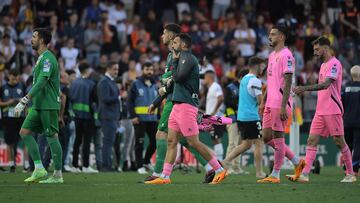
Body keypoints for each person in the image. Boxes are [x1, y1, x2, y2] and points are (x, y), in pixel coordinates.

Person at [146, 33, 227, 185]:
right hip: (177, 105)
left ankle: (219, 169)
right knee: (171, 141)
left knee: (193, 142)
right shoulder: (180, 58)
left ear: (183, 45)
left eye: (175, 42)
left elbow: (179, 77)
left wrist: (174, 66)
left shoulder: (188, 58)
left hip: (186, 105)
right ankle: (165, 177)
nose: (173, 44)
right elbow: (175, 79)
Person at [289, 36, 357, 183]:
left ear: (326, 48)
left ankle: (350, 174)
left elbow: (326, 85)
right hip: (320, 110)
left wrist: (304, 88)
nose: (315, 52)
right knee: (311, 140)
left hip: (333, 109)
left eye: (317, 49)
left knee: (339, 141)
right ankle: (305, 174)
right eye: (314, 49)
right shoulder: (322, 65)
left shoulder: (335, 64)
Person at [14, 27, 64, 183]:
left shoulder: (48, 58)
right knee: (24, 132)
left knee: (52, 136)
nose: (31, 39)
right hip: (38, 105)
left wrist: (25, 99)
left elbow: (42, 80)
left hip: (48, 104)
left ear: (42, 40)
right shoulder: (41, 58)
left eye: (34, 36)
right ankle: (39, 169)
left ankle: (57, 175)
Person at [257, 25, 304, 184]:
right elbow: (270, 81)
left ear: (282, 37)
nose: (270, 37)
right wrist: (263, 101)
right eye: (269, 34)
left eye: (273, 34)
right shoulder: (272, 55)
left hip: (280, 102)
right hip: (270, 102)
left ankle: (275, 174)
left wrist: (284, 105)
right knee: (266, 137)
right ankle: (297, 161)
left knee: (278, 136)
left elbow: (288, 80)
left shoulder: (287, 55)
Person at [222, 56, 267, 178]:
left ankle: (226, 161)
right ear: (257, 66)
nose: (263, 68)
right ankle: (259, 172)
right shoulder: (255, 80)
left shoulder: (244, 79)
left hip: (241, 116)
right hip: (251, 117)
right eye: (262, 66)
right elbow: (258, 99)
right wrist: (264, 97)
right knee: (259, 143)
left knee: (246, 145)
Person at [128, 61, 158, 174]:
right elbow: (129, 101)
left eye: (151, 70)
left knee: (155, 142)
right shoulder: (136, 84)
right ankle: (139, 165)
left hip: (152, 119)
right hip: (139, 119)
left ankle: (146, 161)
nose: (149, 72)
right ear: (142, 70)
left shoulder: (155, 84)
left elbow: (158, 103)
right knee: (139, 143)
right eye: (147, 69)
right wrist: (133, 116)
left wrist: (158, 116)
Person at [69, 62, 98, 173]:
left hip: (76, 116)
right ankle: (85, 166)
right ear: (87, 70)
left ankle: (75, 166)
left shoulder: (74, 82)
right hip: (88, 116)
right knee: (86, 141)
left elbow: (71, 99)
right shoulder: (91, 83)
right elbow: (95, 102)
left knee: (77, 140)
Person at [0, 69, 26, 172]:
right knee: (9, 142)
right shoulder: (3, 88)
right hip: (8, 118)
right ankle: (12, 165)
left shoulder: (22, 86)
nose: (14, 79)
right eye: (12, 76)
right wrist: (9, 103)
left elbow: (27, 100)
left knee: (24, 140)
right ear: (9, 76)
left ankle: (26, 165)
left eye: (16, 77)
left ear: (19, 77)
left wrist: (21, 102)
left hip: (20, 117)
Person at [97, 62, 121, 171]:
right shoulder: (104, 82)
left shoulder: (110, 81)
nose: (116, 71)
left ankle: (108, 165)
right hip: (107, 116)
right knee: (107, 142)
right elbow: (105, 98)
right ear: (108, 69)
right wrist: (118, 98)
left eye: (117, 69)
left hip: (112, 116)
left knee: (109, 142)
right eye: (114, 69)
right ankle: (105, 166)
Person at [203, 70, 225, 161]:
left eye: (204, 77)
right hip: (212, 118)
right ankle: (218, 160)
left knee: (217, 138)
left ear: (208, 77)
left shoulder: (216, 86)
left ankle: (220, 161)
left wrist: (213, 112)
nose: (203, 80)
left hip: (216, 117)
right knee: (215, 139)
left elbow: (221, 98)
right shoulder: (211, 88)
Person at [342, 65, 360, 176]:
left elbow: (342, 103)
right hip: (358, 122)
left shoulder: (346, 87)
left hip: (347, 121)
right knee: (358, 146)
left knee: (347, 146)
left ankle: (346, 168)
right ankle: (354, 169)